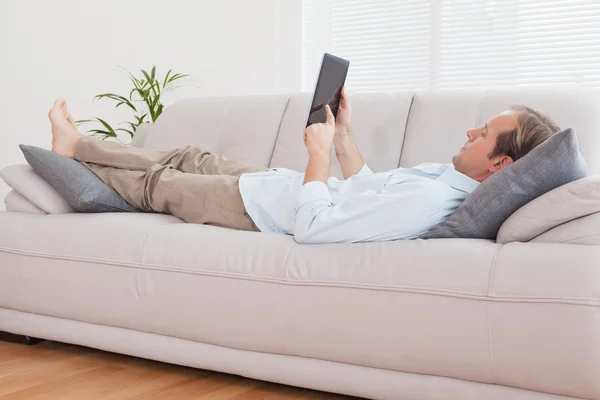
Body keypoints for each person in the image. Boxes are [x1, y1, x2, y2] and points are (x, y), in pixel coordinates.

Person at [48, 88, 560, 244]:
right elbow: (366, 186)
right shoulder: (441, 177)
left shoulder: (431, 202)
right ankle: (81, 146)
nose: (471, 132)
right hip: (273, 185)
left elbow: (316, 228)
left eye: (484, 134)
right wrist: (343, 136)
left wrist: (317, 156)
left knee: (162, 183)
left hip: (261, 210)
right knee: (187, 155)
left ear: (499, 164)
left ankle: (73, 154)